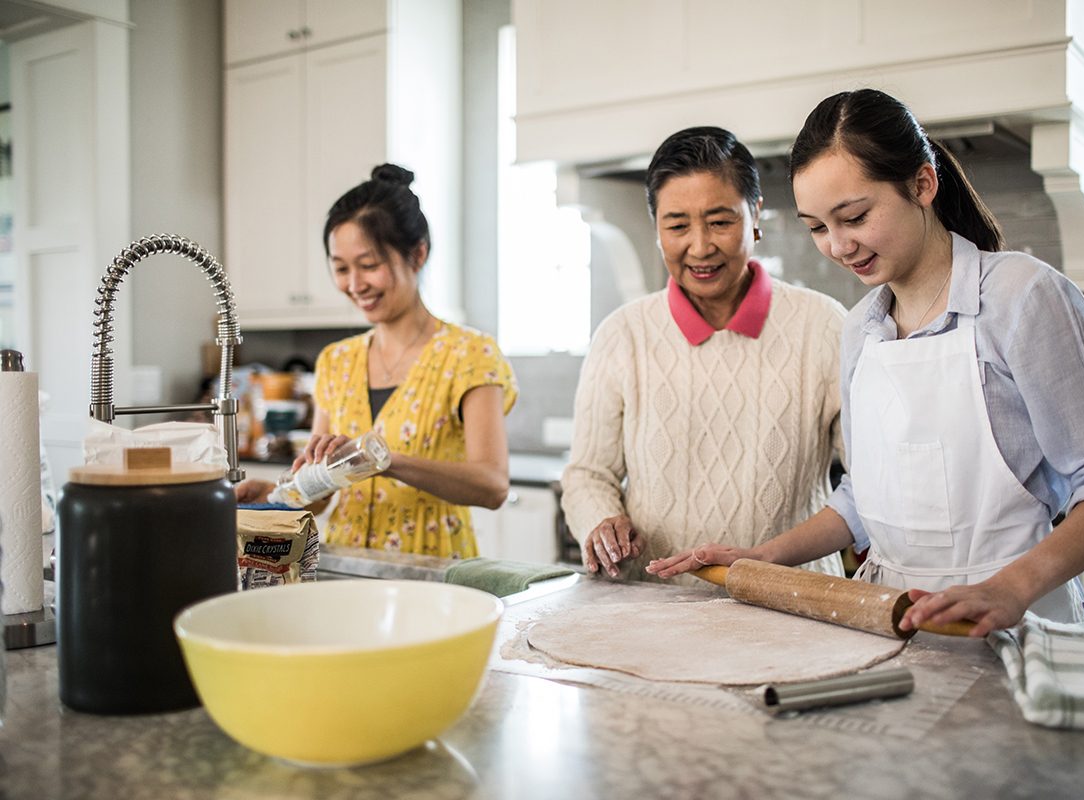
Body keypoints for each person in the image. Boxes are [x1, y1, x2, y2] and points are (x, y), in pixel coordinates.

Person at [648, 90, 1084, 635]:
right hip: (886, 622)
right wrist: (763, 556)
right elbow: (864, 497)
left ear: (923, 183)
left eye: (854, 217)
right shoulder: (861, 329)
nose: (840, 247)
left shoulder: (1021, 296)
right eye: (819, 228)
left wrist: (1011, 588)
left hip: (1019, 627)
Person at [562, 126, 847, 582]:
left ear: (754, 214)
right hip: (655, 605)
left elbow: (868, 482)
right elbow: (587, 474)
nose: (700, 246)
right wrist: (601, 522)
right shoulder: (623, 335)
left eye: (719, 222)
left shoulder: (825, 326)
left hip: (795, 602)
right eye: (677, 225)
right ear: (657, 228)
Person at [236, 164, 518, 557]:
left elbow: (492, 485)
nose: (355, 284)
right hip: (349, 570)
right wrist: (274, 494)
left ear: (417, 254)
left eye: (369, 266)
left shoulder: (470, 355)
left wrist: (385, 461)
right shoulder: (336, 361)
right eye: (341, 269)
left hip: (435, 574)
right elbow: (322, 492)